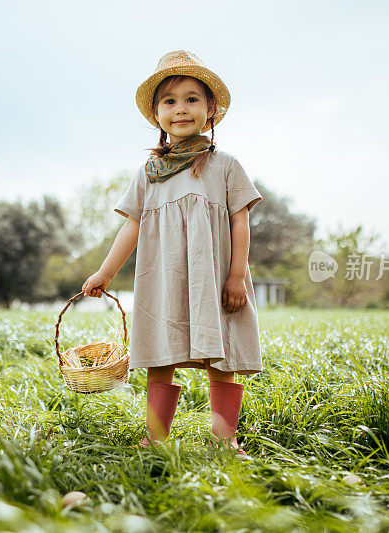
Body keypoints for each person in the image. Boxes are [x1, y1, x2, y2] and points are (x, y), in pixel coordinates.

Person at [81, 50, 263, 454]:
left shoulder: (226, 165)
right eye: (170, 101)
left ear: (210, 109)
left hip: (213, 277)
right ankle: (156, 437)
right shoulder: (149, 173)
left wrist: (236, 277)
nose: (181, 109)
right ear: (157, 114)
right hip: (164, 277)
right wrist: (105, 273)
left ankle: (224, 439)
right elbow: (133, 225)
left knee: (223, 358)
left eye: (191, 99)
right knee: (161, 352)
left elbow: (239, 221)